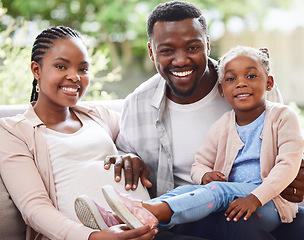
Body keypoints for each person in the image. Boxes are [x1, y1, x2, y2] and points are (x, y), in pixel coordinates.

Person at [106, 1, 304, 239]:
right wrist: (127, 157)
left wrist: (297, 180)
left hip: (256, 203)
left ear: (208, 45)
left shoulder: (254, 88)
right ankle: (135, 213)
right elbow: (195, 162)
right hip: (188, 218)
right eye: (167, 50)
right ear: (151, 52)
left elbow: (290, 156)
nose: (180, 61)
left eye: (192, 48)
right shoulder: (138, 104)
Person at [0, 26, 158, 240]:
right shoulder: (13, 132)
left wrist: (131, 155)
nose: (74, 77)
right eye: (61, 66)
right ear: (36, 70)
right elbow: (34, 208)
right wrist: (93, 237)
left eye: (83, 69)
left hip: (149, 230)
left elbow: (145, 138)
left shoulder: (100, 116)